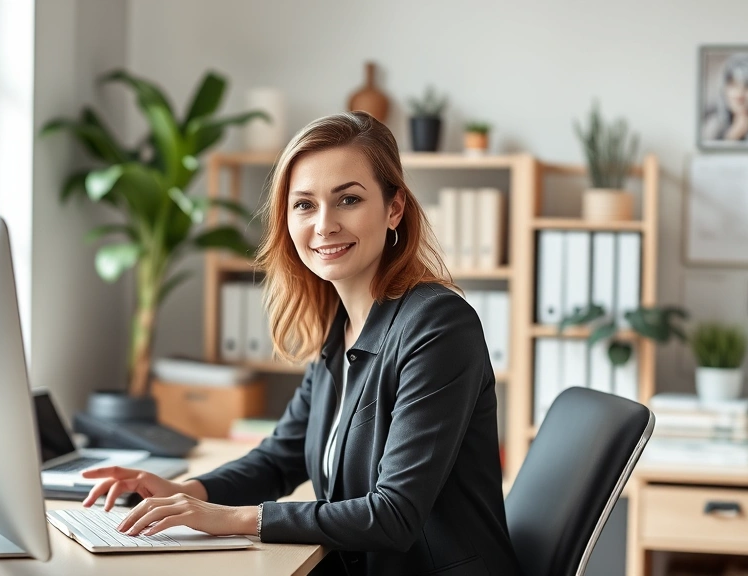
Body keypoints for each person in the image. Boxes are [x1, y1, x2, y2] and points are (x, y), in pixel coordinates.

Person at [81, 111, 521, 575]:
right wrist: (188, 493)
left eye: (348, 199)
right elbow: (280, 458)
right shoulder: (342, 326)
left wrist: (231, 520)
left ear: (395, 208)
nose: (324, 225)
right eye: (304, 204)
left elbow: (394, 515)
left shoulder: (437, 326)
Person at [701, 53, 748, 143]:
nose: (740, 94)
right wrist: (732, 136)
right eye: (733, 85)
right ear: (724, 88)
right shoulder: (711, 123)